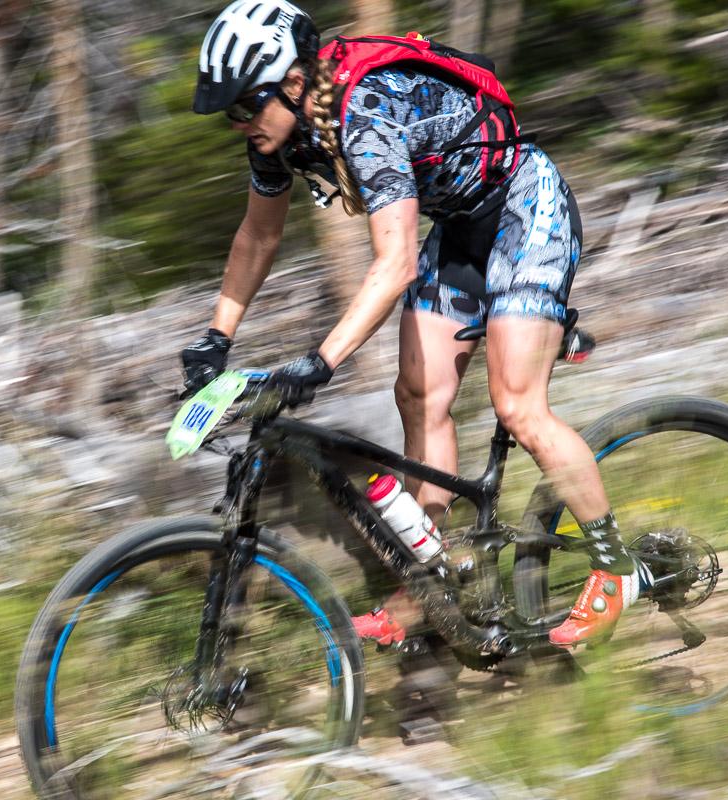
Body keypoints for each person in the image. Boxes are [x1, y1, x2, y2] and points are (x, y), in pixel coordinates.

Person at [181, 0, 651, 649]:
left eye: (243, 107)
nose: (238, 125)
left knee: (517, 405)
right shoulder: (284, 131)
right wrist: (216, 337)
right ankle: (434, 577)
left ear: (292, 83)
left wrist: (319, 363)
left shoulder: (363, 111)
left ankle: (615, 566)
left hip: (523, 204)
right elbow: (258, 235)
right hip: (460, 227)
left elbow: (396, 261)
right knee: (419, 395)